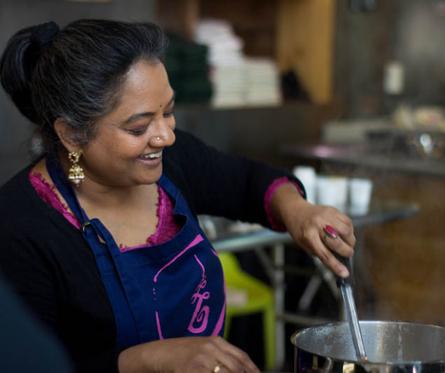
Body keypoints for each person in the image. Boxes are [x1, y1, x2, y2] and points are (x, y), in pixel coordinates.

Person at [0, 19, 356, 373]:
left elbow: (249, 181)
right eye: (138, 127)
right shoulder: (18, 225)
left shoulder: (173, 160)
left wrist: (298, 211)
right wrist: (147, 359)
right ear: (72, 135)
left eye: (168, 112)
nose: (165, 137)